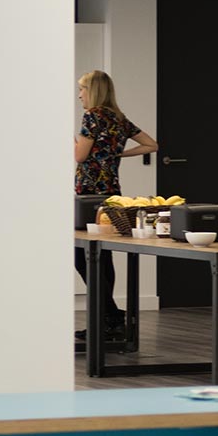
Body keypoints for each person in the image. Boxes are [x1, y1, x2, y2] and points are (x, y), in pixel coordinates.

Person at [72, 69, 157, 353]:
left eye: (82, 89)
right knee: (101, 255)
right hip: (111, 194)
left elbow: (79, 156)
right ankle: (108, 318)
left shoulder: (93, 116)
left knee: (83, 256)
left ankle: (111, 317)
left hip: (88, 195)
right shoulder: (117, 117)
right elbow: (151, 145)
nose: (79, 94)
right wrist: (117, 155)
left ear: (92, 90)